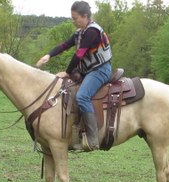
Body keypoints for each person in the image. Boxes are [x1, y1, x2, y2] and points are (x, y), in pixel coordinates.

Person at [36, 1, 112, 151]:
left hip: (100, 70)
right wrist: (48, 55)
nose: (73, 21)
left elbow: (79, 54)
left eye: (75, 18)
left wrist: (68, 71)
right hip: (88, 70)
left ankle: (93, 138)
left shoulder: (92, 32)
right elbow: (64, 45)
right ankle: (75, 133)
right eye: (72, 18)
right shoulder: (80, 32)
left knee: (82, 96)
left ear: (85, 16)